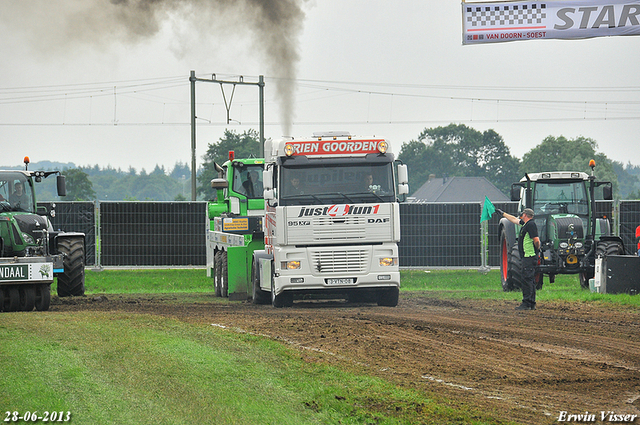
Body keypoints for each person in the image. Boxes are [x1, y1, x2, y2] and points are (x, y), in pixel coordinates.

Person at [496, 207, 541, 310]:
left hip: (529, 256)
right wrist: (503, 213)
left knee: (526, 280)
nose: (521, 216)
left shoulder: (531, 225)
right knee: (529, 280)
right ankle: (531, 303)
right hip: (527, 256)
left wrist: (536, 249)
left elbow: (536, 240)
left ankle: (527, 303)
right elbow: (513, 219)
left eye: (522, 214)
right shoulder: (526, 224)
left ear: (525, 215)